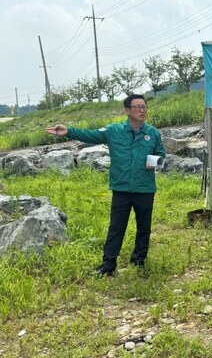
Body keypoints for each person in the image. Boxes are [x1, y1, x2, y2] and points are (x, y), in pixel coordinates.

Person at [45, 94, 166, 276]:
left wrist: (155, 161)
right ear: (127, 111)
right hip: (121, 188)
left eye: (144, 107)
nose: (142, 110)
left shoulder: (153, 133)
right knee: (116, 227)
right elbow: (91, 134)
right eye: (137, 107)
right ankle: (108, 265)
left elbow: (161, 155)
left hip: (144, 187)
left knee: (144, 226)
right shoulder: (114, 130)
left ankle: (139, 259)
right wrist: (68, 131)